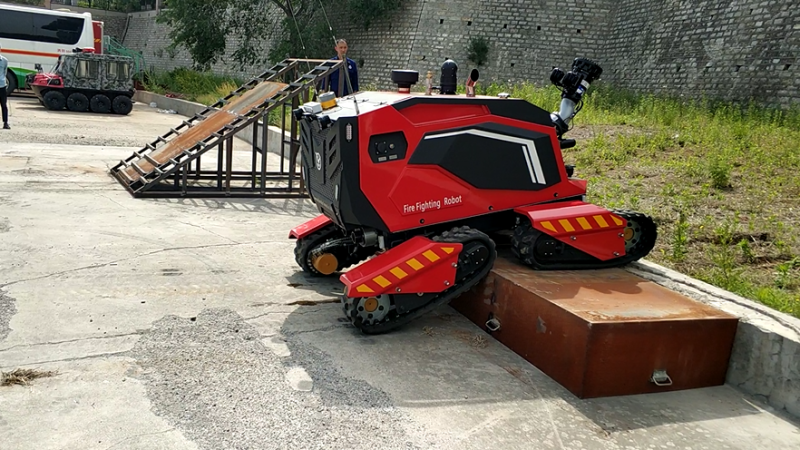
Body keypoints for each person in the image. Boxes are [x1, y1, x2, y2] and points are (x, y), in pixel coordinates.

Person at [0, 44, 10, 129]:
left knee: (4, 105)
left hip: (2, 86)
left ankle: (5, 123)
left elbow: (5, 72)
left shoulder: (4, 60)